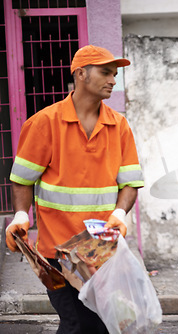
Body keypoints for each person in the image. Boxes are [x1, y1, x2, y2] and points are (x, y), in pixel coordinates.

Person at [6, 45, 144, 334]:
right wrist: (21, 215)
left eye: (115, 74)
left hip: (101, 249)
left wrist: (120, 212)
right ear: (81, 73)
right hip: (55, 256)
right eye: (106, 72)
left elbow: (130, 183)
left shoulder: (119, 126)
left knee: (103, 324)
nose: (113, 80)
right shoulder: (44, 123)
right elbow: (22, 179)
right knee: (76, 324)